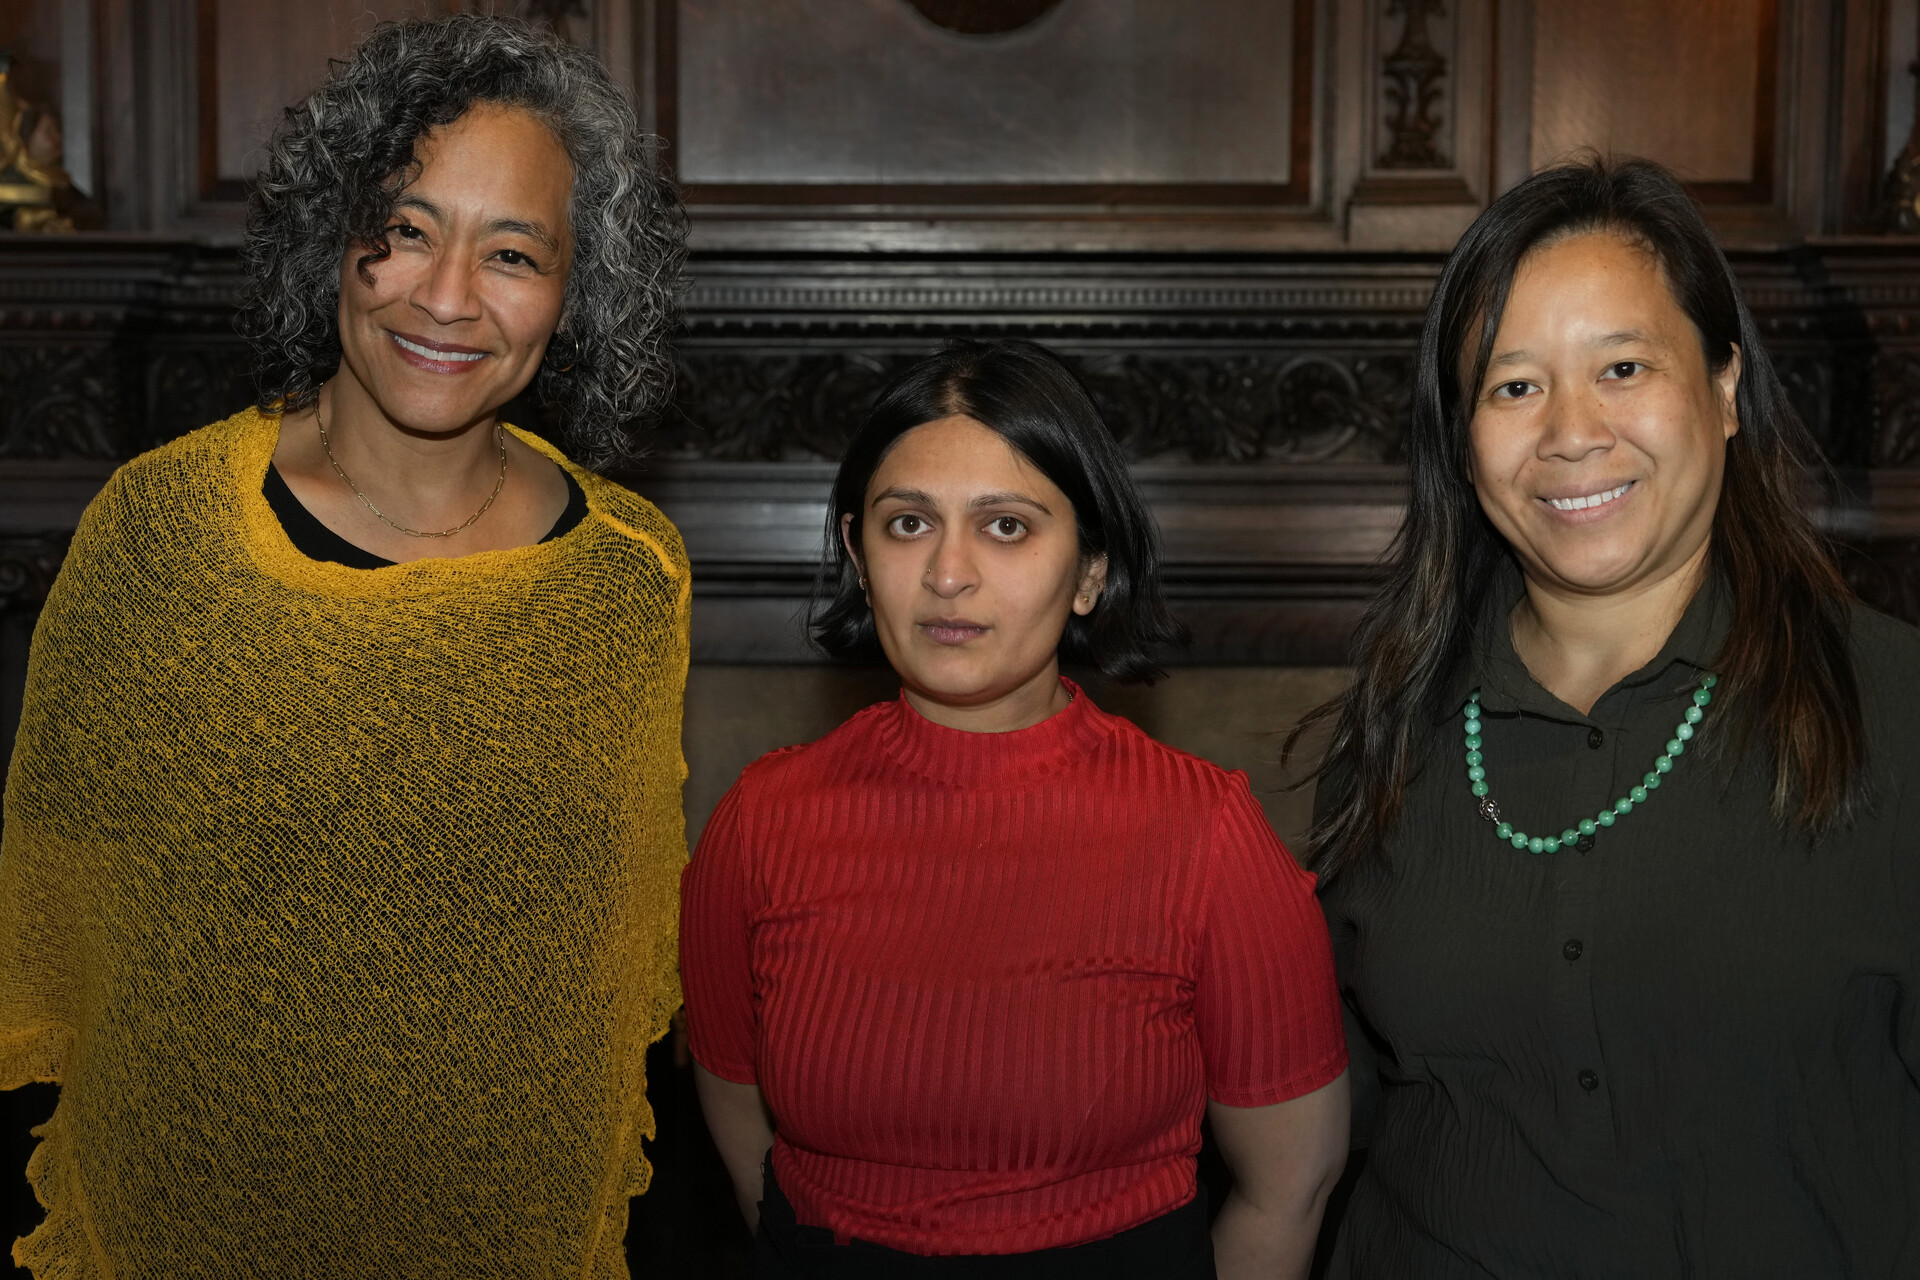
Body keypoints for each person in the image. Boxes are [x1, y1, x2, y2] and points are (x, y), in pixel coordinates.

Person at [0, 16, 689, 1277]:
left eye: (515, 251)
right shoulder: (162, 531)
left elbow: (599, 983)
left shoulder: (626, 580)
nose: (446, 296)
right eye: (408, 228)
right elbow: (64, 909)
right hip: (186, 1230)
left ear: (577, 289)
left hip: (498, 1235)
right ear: (333, 243)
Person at [1299, 157, 1920, 1277]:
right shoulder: (1394, 728)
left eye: (1623, 366)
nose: (1572, 433)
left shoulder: (1900, 710)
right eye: (1513, 385)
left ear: (1726, 388)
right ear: (1462, 436)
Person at [680, 339, 1350, 1280]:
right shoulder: (760, 822)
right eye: (908, 524)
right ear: (854, 553)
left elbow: (1295, 1181)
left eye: (1006, 527)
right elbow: (735, 1108)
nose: (948, 574)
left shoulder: (1206, 835)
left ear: (1088, 572)